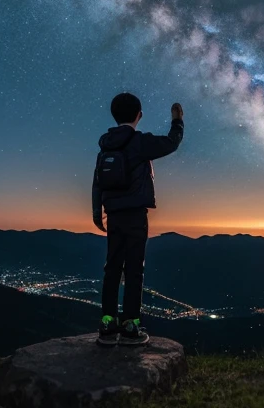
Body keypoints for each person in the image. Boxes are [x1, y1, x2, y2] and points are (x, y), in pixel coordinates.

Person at [92, 93, 184, 345]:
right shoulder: (140, 142)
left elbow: (97, 180)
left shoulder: (106, 144)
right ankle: (130, 324)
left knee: (112, 268)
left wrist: (96, 213)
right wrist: (177, 121)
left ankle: (107, 323)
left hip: (113, 215)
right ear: (139, 115)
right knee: (133, 269)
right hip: (135, 214)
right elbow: (171, 143)